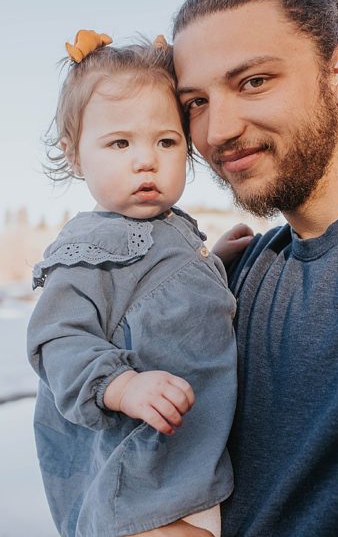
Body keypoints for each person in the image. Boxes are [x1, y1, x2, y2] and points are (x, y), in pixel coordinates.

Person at [170, 0, 338, 536]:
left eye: (253, 82)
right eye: (195, 102)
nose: (218, 131)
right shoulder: (240, 274)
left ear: (336, 72)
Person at [27, 32, 238, 537]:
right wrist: (122, 385)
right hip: (137, 481)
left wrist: (217, 262)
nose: (146, 160)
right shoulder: (90, 246)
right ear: (75, 154)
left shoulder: (176, 233)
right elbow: (58, 339)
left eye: (166, 141)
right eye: (119, 143)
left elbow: (165, 298)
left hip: (186, 470)